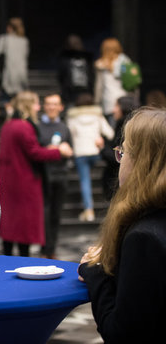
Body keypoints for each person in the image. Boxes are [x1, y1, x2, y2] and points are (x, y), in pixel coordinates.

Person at [78, 107, 166, 343]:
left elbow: (122, 333)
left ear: (143, 163)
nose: (120, 160)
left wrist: (94, 270)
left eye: (123, 152)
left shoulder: (144, 237)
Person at [0, 91, 73, 257]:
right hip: (24, 181)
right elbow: (34, 153)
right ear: (28, 105)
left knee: (10, 226)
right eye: (36, 103)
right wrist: (59, 151)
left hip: (10, 180)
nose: (39, 108)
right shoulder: (24, 126)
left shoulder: (8, 125)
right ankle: (24, 260)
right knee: (24, 227)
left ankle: (7, 258)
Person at [67, 93, 114, 222]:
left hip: (80, 153)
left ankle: (89, 210)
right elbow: (110, 133)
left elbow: (69, 135)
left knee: (85, 180)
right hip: (95, 152)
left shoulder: (73, 118)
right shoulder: (97, 116)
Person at [38, 93, 72, 259]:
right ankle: (44, 249)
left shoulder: (64, 128)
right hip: (43, 176)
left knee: (56, 215)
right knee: (44, 214)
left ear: (61, 107)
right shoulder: (37, 126)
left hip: (60, 176)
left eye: (55, 104)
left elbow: (71, 151)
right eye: (48, 104)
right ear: (44, 106)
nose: (52, 107)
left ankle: (51, 250)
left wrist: (65, 150)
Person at [100, 96, 138, 201]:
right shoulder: (123, 126)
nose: (113, 110)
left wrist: (103, 148)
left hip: (120, 185)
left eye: (116, 106)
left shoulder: (126, 129)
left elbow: (119, 157)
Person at [0, 17, 29, 117]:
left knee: (6, 100)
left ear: (9, 27)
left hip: (7, 75)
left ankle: (9, 120)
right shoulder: (24, 41)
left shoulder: (4, 39)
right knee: (19, 102)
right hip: (21, 75)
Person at [94, 37, 131, 126]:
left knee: (113, 131)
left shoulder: (100, 65)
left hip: (109, 101)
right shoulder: (125, 61)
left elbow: (99, 86)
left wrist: (96, 102)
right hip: (125, 100)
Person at [57, 34, 94, 108]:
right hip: (71, 93)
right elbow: (61, 75)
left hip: (84, 92)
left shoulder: (86, 58)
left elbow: (91, 75)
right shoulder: (65, 58)